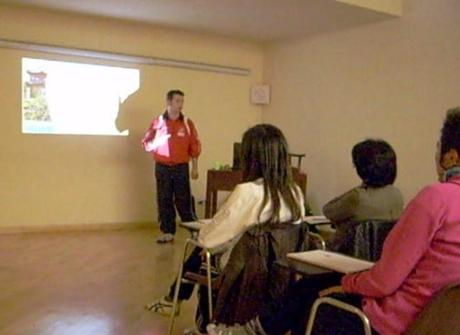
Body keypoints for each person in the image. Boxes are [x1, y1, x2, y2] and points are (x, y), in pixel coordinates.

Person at [208, 107, 460, 335]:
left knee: (309, 295)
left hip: (390, 320)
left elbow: (384, 280)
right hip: (439, 322)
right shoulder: (296, 191)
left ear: (450, 157)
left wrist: (348, 284)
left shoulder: (435, 199)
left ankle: (247, 332)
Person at [145, 124, 305, 329]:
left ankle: (197, 321)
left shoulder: (248, 192)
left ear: (250, 157)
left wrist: (208, 231)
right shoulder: (295, 193)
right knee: (205, 253)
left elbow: (208, 239)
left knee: (200, 251)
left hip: (242, 272)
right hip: (279, 274)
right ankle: (176, 304)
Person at [323, 139, 404, 253]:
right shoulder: (397, 195)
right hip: (383, 256)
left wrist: (361, 187)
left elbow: (328, 211)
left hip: (346, 255)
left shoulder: (358, 197)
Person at [142, 90, 201, 243]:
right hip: (162, 167)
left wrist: (195, 167)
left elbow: (194, 146)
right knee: (164, 199)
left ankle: (193, 229)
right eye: (177, 101)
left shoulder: (187, 123)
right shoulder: (158, 122)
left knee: (184, 199)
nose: (181, 105)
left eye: (182, 101)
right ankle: (168, 231)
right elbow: (146, 145)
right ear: (169, 102)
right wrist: (157, 141)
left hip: (181, 167)